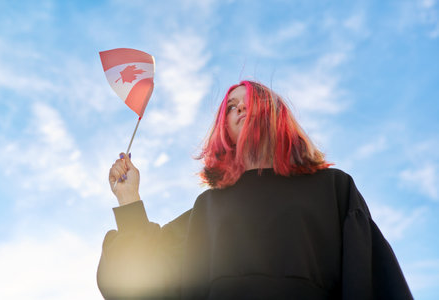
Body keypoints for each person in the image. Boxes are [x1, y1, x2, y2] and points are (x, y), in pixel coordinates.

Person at [97, 81, 413, 299]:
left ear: (277, 114)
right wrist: (129, 200)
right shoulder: (209, 206)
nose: (241, 109)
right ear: (225, 128)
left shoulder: (334, 189)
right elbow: (147, 279)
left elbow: (371, 281)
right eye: (231, 106)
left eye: (252, 102)